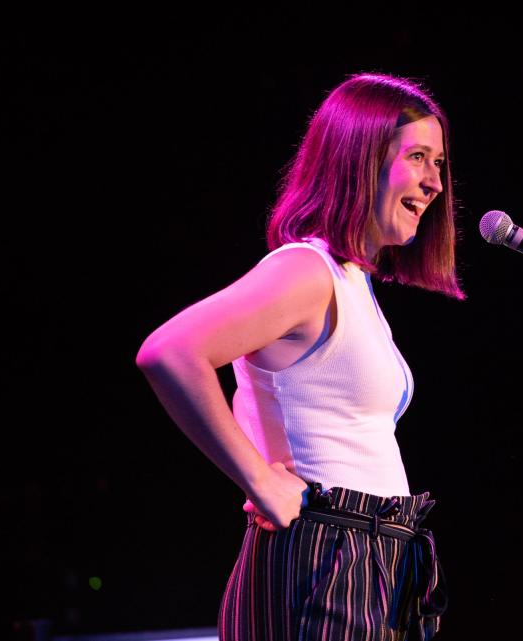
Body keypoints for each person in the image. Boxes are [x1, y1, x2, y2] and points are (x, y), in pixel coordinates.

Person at [135, 73, 462, 641]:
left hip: (376, 557)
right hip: (324, 556)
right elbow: (169, 351)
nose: (435, 181)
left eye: (438, 160)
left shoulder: (351, 281)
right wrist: (259, 479)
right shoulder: (305, 271)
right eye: (417, 156)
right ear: (360, 158)